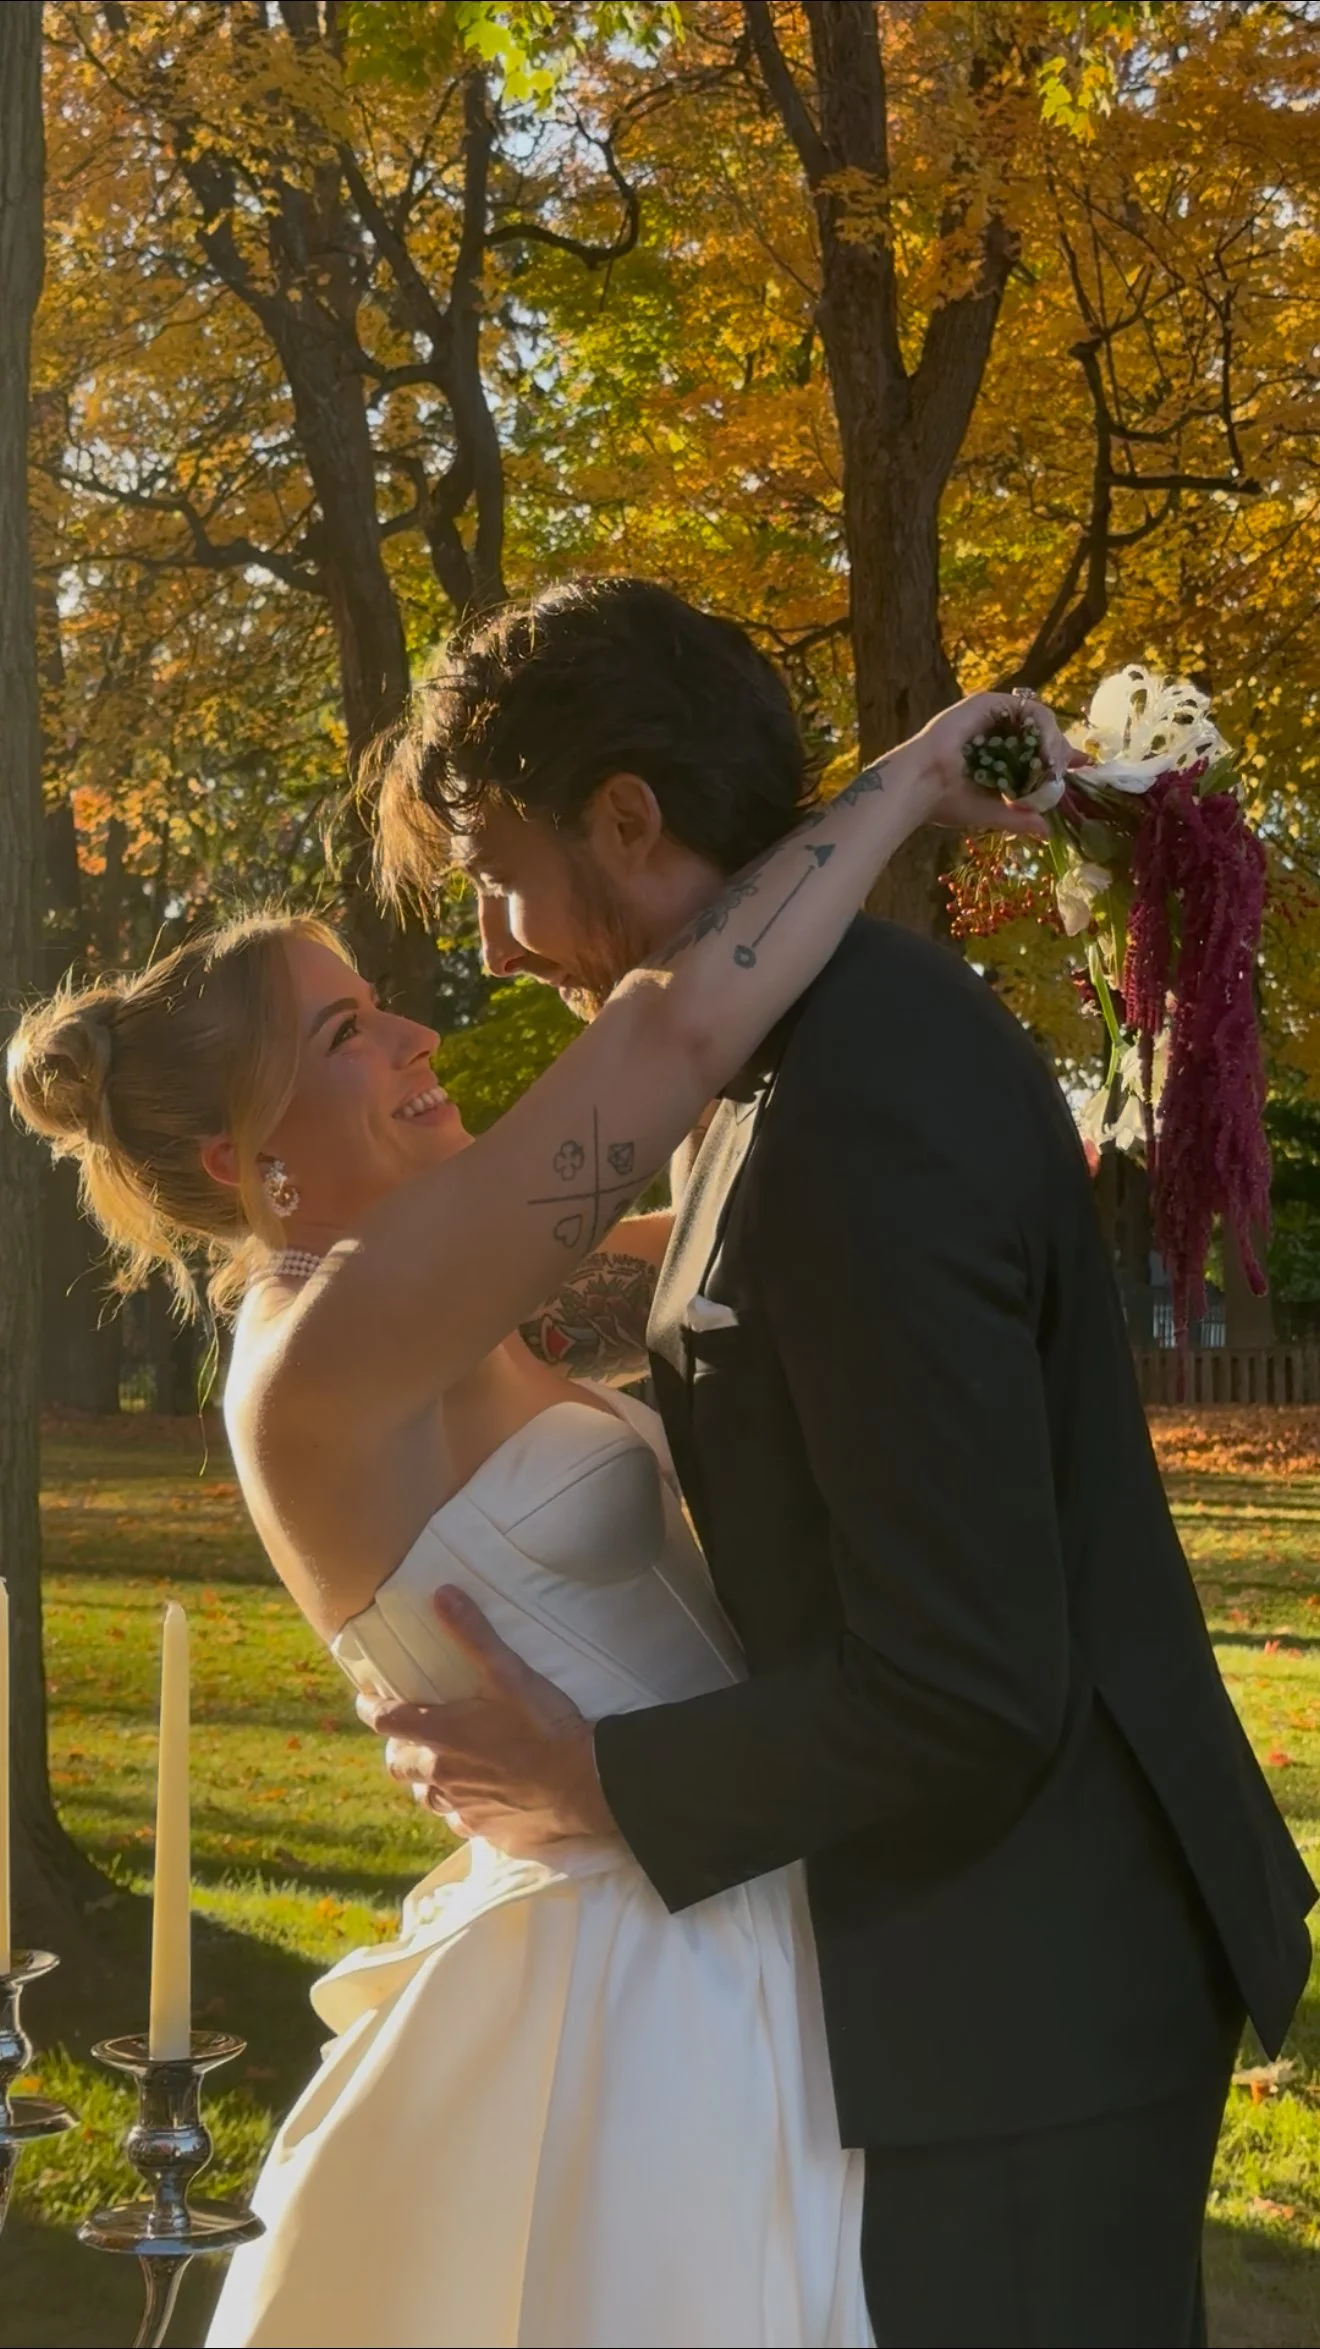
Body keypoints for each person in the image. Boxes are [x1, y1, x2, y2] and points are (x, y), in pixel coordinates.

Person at [6, 674, 1048, 2349]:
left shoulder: (426, 1301)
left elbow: (742, 1223)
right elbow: (667, 1035)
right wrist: (916, 778)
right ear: (239, 1156)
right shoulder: (326, 1344)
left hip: (713, 1882)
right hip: (644, 1961)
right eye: (349, 1035)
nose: (417, 1035)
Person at [365, 577, 1315, 2349]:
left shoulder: (856, 1098)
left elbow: (966, 1682)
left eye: (496, 864)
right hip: (990, 1960)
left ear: (629, 820)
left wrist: (596, 1781)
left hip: (1034, 1995)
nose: (490, 939)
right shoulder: (801, 1046)